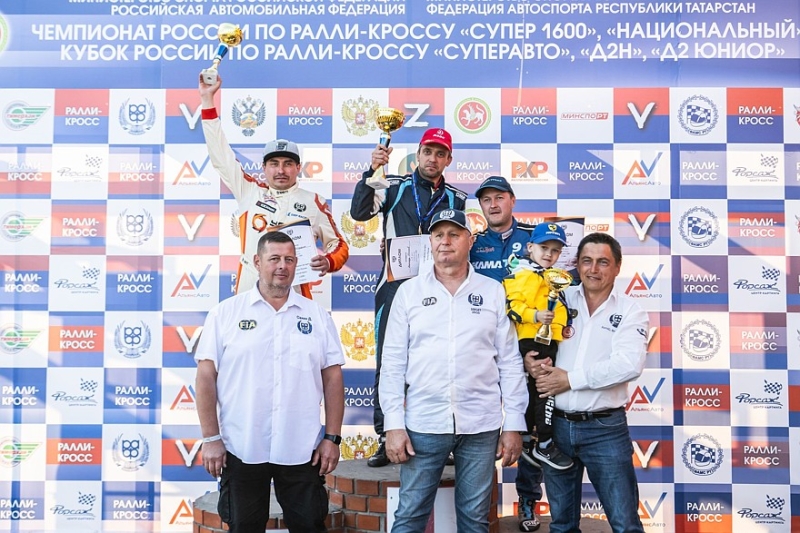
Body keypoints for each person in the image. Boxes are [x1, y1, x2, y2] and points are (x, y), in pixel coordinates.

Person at [380, 209, 528, 533]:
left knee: (475, 521)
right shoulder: (409, 292)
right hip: (423, 425)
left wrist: (514, 422)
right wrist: (393, 424)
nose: (445, 242)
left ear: (470, 241)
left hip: (481, 425)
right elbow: (391, 363)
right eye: (438, 235)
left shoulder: (492, 291)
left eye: (454, 234)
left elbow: (509, 362)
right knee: (409, 517)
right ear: (430, 242)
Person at [195, 231, 345, 533]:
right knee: (244, 527)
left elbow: (332, 378)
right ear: (257, 262)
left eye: (289, 259)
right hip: (242, 447)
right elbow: (206, 377)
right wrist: (211, 439)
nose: (282, 266)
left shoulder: (317, 316)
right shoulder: (225, 314)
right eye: (274, 258)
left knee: (310, 527)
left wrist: (332, 438)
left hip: (302, 449)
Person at [349, 128, 467, 467]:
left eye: (440, 153)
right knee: (389, 361)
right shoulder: (394, 186)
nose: (433, 159)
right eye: (428, 152)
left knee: (437, 359)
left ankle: (441, 437)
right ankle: (385, 435)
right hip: (395, 287)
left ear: (448, 159)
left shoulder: (456, 199)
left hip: (439, 290)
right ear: (418, 154)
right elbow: (360, 212)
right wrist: (372, 171)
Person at [527, 232, 648, 533]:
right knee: (562, 526)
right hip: (555, 427)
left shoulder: (630, 310)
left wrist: (570, 380)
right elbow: (528, 336)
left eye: (602, 262)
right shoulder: (558, 297)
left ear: (617, 267)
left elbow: (628, 365)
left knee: (625, 524)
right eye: (586, 261)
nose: (593, 269)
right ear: (577, 265)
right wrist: (528, 360)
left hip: (604, 429)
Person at [199, 74, 349, 297]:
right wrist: (207, 100)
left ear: (298, 167)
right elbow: (220, 155)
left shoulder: (313, 201)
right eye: (274, 164)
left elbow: (338, 245)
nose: (281, 170)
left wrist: (328, 261)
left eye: (288, 164)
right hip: (249, 291)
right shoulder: (249, 190)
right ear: (264, 167)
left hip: (294, 293)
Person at [469, 176, 544, 533]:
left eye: (499, 197)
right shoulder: (471, 243)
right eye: (486, 200)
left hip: (527, 346)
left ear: (512, 200)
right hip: (481, 347)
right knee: (477, 426)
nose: (493, 205)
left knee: (528, 430)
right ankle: (477, 505)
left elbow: (562, 283)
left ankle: (528, 498)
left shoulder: (534, 238)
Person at [503, 222, 575, 472]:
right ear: (530, 247)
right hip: (531, 342)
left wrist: (562, 326)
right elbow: (511, 307)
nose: (549, 254)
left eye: (555, 250)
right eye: (544, 248)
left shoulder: (555, 277)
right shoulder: (522, 274)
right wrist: (535, 316)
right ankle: (543, 443)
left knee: (537, 392)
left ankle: (528, 440)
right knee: (546, 392)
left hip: (550, 341)